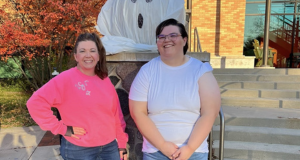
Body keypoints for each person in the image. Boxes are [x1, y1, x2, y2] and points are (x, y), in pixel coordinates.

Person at [129, 19, 221, 160]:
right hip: (156, 152)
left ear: (184, 40)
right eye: (162, 37)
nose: (167, 40)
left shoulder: (201, 71)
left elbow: (210, 112)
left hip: (194, 153)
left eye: (173, 35)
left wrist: (189, 148)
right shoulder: (147, 71)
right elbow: (138, 112)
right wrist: (162, 145)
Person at [27, 33, 128, 160]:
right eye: (82, 51)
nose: (88, 55)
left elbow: (116, 114)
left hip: (110, 147)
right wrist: (61, 128)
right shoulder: (65, 79)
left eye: (92, 50)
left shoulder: (104, 79)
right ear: (76, 56)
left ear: (98, 56)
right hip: (79, 149)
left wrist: (122, 144)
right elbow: (35, 103)